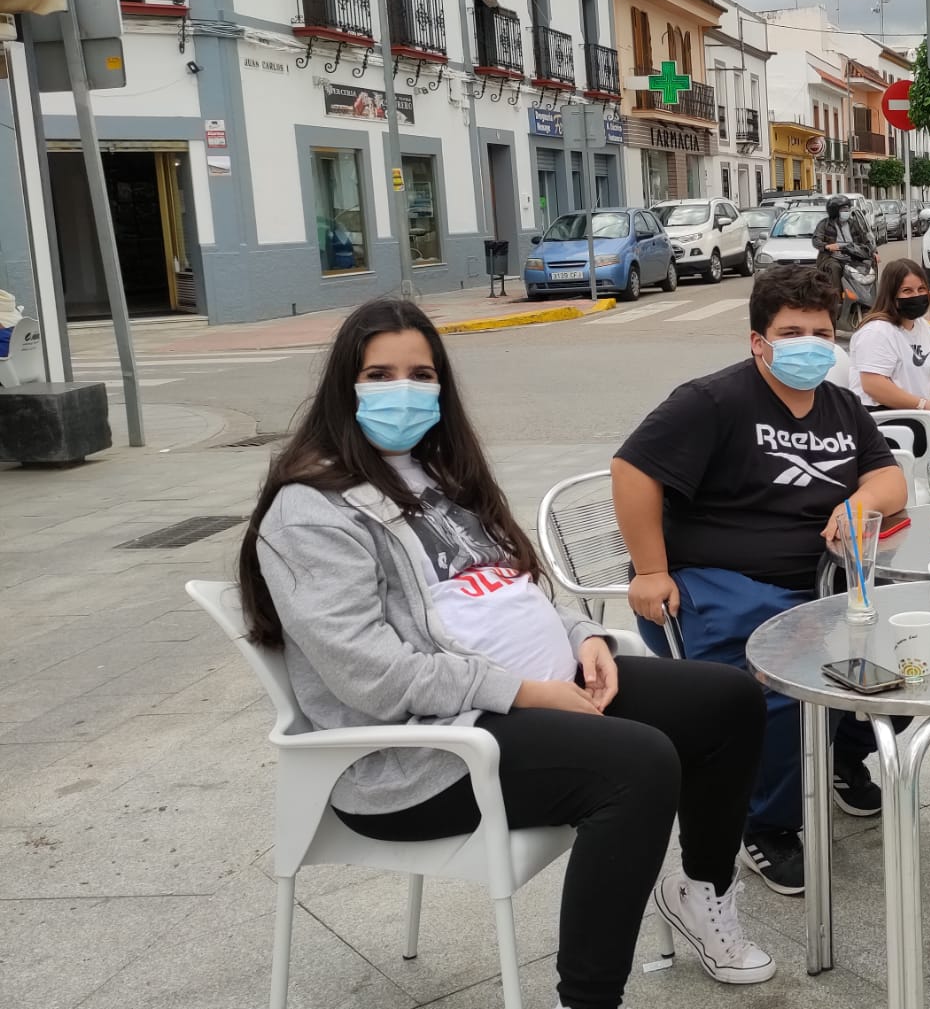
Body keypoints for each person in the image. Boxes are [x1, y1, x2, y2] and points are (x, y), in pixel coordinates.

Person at [239, 300, 776, 1007]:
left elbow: (513, 587)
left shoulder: (439, 474)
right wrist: (523, 691)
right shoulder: (311, 509)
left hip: (531, 695)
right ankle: (586, 1000)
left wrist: (583, 637)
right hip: (425, 749)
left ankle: (700, 892)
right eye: (379, 374)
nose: (403, 391)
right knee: (639, 764)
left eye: (420, 374)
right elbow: (369, 674)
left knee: (728, 700)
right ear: (346, 385)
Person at [612, 266, 908, 897]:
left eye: (821, 333)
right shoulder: (713, 401)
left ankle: (838, 754)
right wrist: (651, 570)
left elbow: (889, 478)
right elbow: (633, 470)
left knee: (911, 657)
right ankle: (765, 822)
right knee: (781, 690)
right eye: (791, 333)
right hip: (719, 585)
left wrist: (859, 503)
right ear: (758, 341)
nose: (810, 345)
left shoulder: (840, 405)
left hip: (820, 584)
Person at [851, 259, 930, 454]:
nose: (917, 295)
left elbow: (929, 374)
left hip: (919, 413)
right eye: (907, 291)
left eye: (921, 289)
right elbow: (873, 385)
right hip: (885, 418)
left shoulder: (924, 327)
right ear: (891, 294)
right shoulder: (877, 331)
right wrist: (922, 405)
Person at [811, 193, 872, 326]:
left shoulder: (853, 223)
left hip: (852, 257)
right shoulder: (824, 224)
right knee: (835, 268)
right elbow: (816, 240)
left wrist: (874, 252)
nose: (847, 211)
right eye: (844, 209)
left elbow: (865, 239)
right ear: (835, 211)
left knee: (866, 269)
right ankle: (837, 301)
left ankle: (866, 301)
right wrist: (827, 246)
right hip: (831, 257)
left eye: (848, 208)